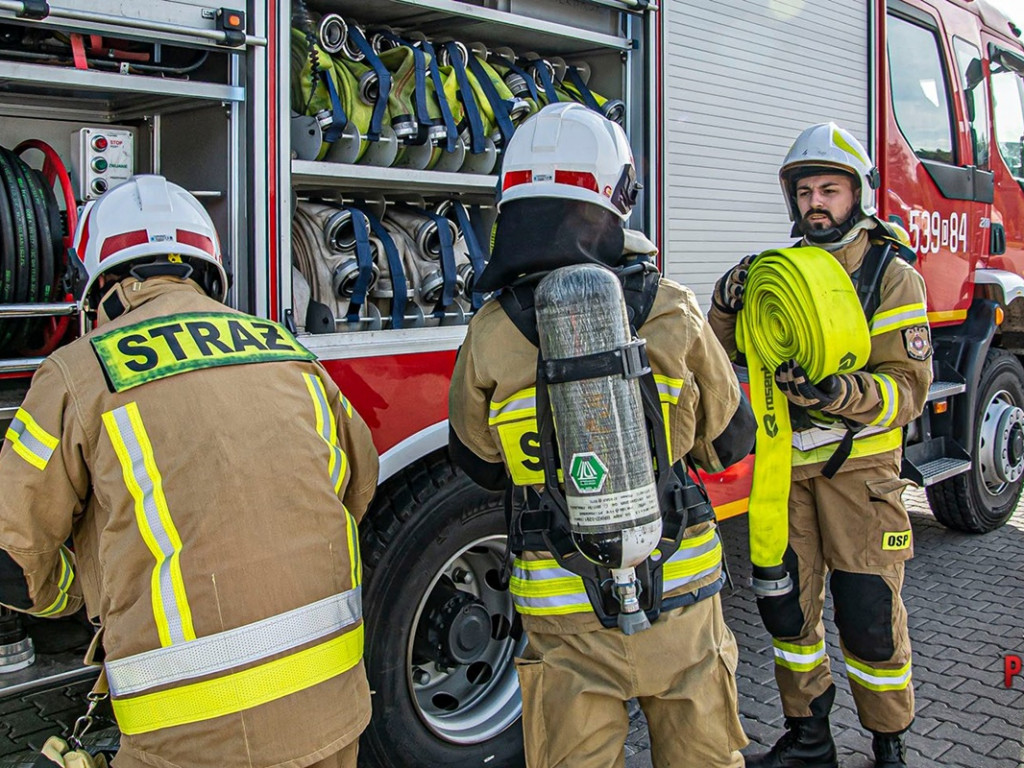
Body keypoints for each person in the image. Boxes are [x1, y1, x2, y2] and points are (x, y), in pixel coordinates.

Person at [0, 176, 379, 768]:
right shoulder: (287, 350)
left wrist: (86, 592)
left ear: (99, 286)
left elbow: (13, 556)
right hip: (335, 716)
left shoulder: (78, 372)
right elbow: (354, 490)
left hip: (184, 738)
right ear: (208, 273)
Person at [448, 102, 755, 767]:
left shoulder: (491, 331)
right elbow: (731, 443)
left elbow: (479, 463)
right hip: (679, 595)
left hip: (563, 614)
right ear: (616, 195)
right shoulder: (672, 306)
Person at [708, 123, 932, 768]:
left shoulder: (891, 278)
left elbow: (906, 391)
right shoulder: (773, 275)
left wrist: (837, 392)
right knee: (786, 614)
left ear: (856, 193)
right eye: (804, 191)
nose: (815, 203)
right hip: (784, 476)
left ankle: (889, 741)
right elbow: (721, 355)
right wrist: (726, 302)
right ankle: (810, 738)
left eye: (829, 189)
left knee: (866, 612)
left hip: (862, 473)